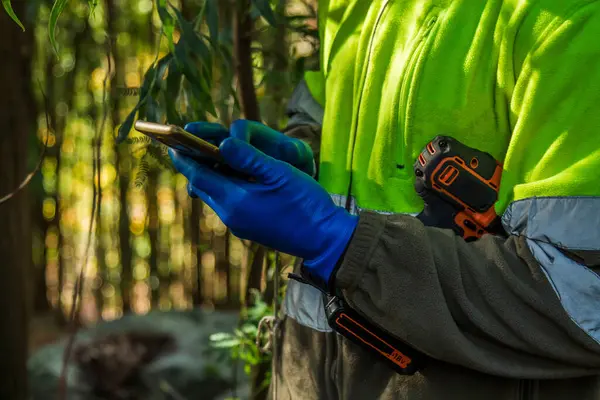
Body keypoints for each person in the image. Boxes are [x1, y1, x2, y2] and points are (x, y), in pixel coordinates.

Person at [170, 1, 600, 399]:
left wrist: (341, 244)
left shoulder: (570, 19)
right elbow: (323, 104)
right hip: (308, 378)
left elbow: (587, 305)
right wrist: (305, 153)